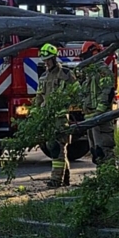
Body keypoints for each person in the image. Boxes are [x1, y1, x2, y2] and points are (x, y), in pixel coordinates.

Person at [36, 43, 75, 187]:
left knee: (56, 147)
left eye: (48, 60)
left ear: (54, 58)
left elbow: (76, 91)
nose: (46, 63)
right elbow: (39, 97)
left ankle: (56, 180)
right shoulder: (44, 76)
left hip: (60, 117)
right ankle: (65, 178)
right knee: (56, 148)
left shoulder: (65, 74)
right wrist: (36, 113)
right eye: (44, 60)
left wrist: (67, 102)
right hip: (48, 117)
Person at [78, 41, 116, 165]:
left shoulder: (102, 71)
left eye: (86, 57)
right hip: (90, 119)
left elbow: (108, 92)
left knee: (105, 149)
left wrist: (99, 112)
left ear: (94, 53)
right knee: (96, 152)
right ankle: (102, 180)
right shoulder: (89, 74)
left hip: (102, 119)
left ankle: (111, 179)